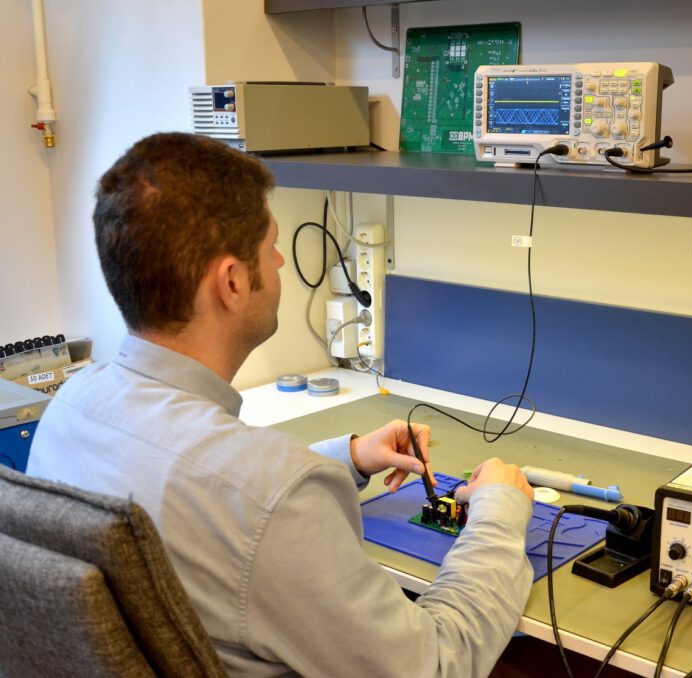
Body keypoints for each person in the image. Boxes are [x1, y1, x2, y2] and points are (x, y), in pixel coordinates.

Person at [27, 132, 535, 677]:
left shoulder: (70, 408)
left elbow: (213, 495)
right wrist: (500, 514)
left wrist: (344, 459)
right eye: (270, 246)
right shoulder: (269, 499)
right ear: (232, 282)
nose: (279, 261)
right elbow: (435, 666)